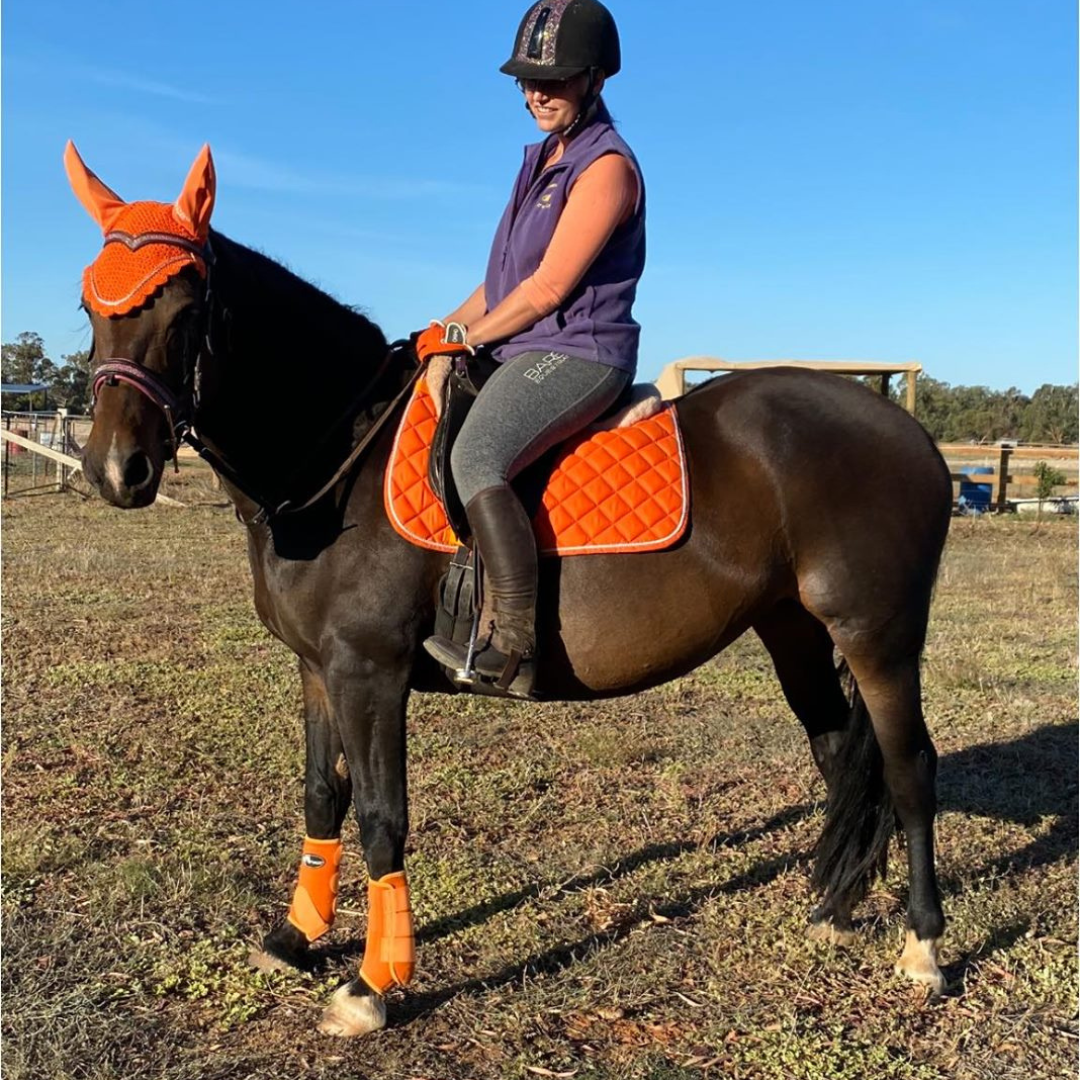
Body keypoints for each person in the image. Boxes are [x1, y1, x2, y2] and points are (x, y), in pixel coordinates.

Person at [419, 0, 645, 698]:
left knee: (475, 454)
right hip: (526, 347)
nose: (536, 93)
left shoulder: (605, 168)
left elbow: (547, 289)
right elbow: (498, 288)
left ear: (596, 79)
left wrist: (464, 340)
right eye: (526, 80)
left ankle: (512, 642)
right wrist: (433, 333)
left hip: (580, 350)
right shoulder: (541, 163)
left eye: (555, 78)